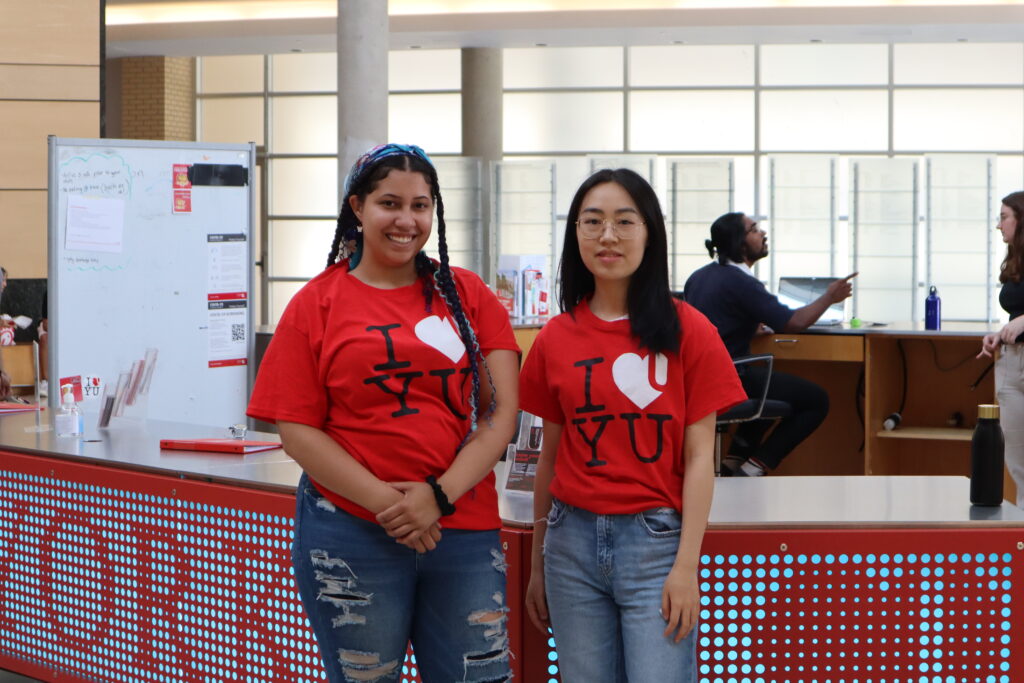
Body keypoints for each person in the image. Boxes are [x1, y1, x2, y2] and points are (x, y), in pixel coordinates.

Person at [247, 144, 519, 682]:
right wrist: (391, 507)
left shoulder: (467, 297)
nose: (406, 220)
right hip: (351, 531)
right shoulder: (316, 303)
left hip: (460, 526)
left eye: (420, 206)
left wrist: (437, 496)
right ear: (357, 207)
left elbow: (501, 412)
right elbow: (297, 430)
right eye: (389, 203)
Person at [520, 169, 745, 682]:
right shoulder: (556, 338)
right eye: (592, 221)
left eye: (625, 221)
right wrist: (538, 563)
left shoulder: (690, 329)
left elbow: (699, 458)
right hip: (569, 544)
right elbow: (548, 460)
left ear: (650, 233)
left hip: (656, 543)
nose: (608, 236)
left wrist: (687, 565)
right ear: (575, 232)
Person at [683, 212, 856, 476]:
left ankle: (732, 464)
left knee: (767, 387)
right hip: (730, 376)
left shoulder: (700, 277)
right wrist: (830, 297)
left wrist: (746, 326)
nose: (762, 233)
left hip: (698, 379)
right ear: (741, 244)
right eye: (754, 229)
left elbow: (712, 321)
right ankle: (754, 468)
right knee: (816, 400)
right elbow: (793, 323)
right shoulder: (741, 282)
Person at [979, 191, 1024, 507]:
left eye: (1004, 216)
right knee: (1018, 462)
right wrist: (1003, 332)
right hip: (1011, 363)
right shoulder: (1015, 259)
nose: (999, 225)